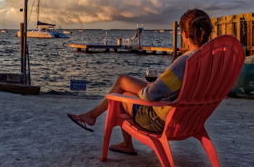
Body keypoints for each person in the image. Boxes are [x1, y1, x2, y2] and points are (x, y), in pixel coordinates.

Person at [67, 9, 213, 155]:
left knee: (121, 93)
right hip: (193, 119)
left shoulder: (185, 61)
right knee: (123, 81)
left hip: (161, 120)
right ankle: (94, 117)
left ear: (184, 34)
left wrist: (145, 91)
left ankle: (118, 137)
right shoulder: (213, 60)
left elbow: (149, 96)